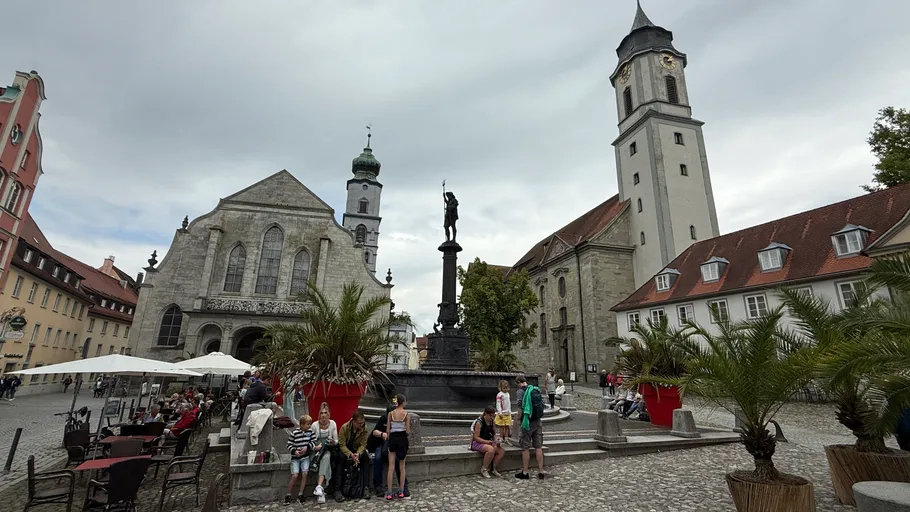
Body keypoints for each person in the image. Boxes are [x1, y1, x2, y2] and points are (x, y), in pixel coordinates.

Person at [367, 400, 409, 498]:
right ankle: (378, 486)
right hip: (382, 444)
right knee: (378, 457)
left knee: (399, 460)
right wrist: (382, 434)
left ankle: (404, 487)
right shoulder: (383, 419)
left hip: (395, 445)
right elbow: (374, 432)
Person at [514, 375, 545, 480]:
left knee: (525, 447)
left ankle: (525, 472)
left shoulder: (520, 392)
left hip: (527, 421)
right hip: (537, 420)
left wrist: (518, 420)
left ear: (518, 382)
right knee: (538, 446)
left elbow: (520, 407)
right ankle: (541, 471)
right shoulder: (534, 389)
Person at [337, 411, 371, 501]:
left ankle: (366, 487)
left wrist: (358, 454)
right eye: (359, 423)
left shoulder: (364, 429)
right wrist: (350, 454)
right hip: (346, 450)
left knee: (366, 458)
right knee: (340, 458)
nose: (361, 425)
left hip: (357, 450)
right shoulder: (344, 428)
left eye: (362, 422)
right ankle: (337, 489)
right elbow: (342, 445)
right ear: (353, 422)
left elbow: (363, 444)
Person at [310, 402, 339, 504]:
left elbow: (336, 441)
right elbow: (310, 441)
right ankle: (321, 489)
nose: (323, 415)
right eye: (321, 413)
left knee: (326, 457)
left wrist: (332, 442)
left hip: (327, 449)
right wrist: (315, 447)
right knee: (321, 459)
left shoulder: (333, 424)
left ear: (329, 414)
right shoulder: (314, 425)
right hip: (315, 451)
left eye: (325, 413)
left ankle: (319, 487)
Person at [385, 394, 410, 500]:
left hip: (393, 439)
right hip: (402, 439)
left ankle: (389, 492)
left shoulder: (391, 413)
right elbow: (408, 431)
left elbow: (387, 430)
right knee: (402, 467)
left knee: (391, 467)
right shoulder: (406, 414)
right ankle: (401, 491)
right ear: (403, 402)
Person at [285, 414, 314, 504]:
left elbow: (313, 442)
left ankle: (300, 494)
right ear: (301, 424)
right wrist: (294, 451)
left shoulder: (310, 432)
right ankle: (288, 494)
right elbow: (289, 445)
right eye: (307, 424)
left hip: (305, 457)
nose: (309, 426)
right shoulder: (294, 433)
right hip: (296, 458)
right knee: (295, 475)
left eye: (310, 424)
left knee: (305, 473)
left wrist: (307, 447)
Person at [472, 406, 506, 478]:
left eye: (493, 416)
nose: (492, 417)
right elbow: (476, 437)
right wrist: (487, 442)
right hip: (477, 443)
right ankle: (484, 469)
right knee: (491, 449)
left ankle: (493, 468)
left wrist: (497, 440)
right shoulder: (479, 422)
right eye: (490, 416)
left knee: (501, 451)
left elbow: (494, 434)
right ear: (486, 414)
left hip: (489, 442)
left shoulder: (492, 422)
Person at [494, 380, 513, 445]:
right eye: (504, 388)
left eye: (506, 388)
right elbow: (498, 404)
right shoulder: (500, 394)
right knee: (502, 427)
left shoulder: (508, 394)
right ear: (500, 387)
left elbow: (509, 403)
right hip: (502, 413)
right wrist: (499, 412)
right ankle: (501, 438)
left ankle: (506, 439)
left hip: (507, 412)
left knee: (507, 426)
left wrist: (510, 411)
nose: (505, 389)